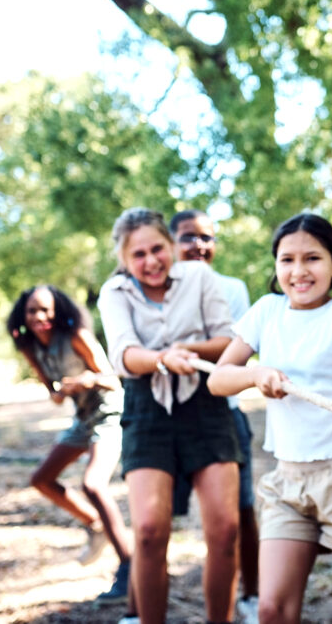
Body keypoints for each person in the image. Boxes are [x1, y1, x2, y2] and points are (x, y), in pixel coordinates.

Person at [207, 213, 332, 624]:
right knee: (272, 610)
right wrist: (256, 374)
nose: (298, 271)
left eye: (312, 258)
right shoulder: (266, 312)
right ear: (276, 266)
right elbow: (219, 379)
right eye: (286, 259)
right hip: (287, 481)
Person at [97, 207, 241, 624]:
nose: (151, 261)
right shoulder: (114, 293)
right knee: (148, 531)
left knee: (225, 530)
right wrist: (162, 358)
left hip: (205, 404)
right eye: (138, 254)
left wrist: (189, 353)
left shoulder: (198, 277)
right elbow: (123, 355)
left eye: (157, 248)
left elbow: (228, 339)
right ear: (124, 260)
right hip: (146, 408)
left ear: (171, 246)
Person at [6, 285, 132, 604]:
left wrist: (87, 380)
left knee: (93, 484)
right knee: (42, 480)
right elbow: (52, 392)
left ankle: (130, 567)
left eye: (46, 310)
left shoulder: (77, 336)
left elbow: (114, 379)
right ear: (23, 315)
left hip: (110, 412)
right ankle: (95, 524)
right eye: (33, 311)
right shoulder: (30, 347)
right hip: (82, 417)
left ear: (58, 311)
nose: (40, 317)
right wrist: (59, 392)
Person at [169, 209, 261, 622]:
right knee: (154, 521)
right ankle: (136, 598)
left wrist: (180, 347)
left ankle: (252, 593)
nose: (198, 245)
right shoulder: (159, 286)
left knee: (240, 511)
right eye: (188, 236)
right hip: (169, 418)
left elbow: (232, 350)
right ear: (171, 243)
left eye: (206, 237)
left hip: (225, 414)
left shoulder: (232, 287)